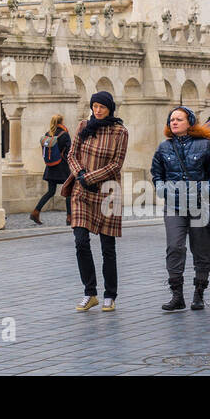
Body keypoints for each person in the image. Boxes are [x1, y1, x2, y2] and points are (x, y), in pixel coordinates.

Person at [151, 105, 210, 312]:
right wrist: (162, 189)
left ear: (189, 122)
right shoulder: (164, 147)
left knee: (201, 251)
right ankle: (177, 296)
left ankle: (199, 293)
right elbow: (156, 173)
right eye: (171, 119)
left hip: (198, 206)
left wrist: (204, 190)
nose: (174, 122)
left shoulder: (204, 145)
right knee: (175, 247)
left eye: (179, 119)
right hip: (174, 206)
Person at [67, 91, 127, 313]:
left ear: (110, 108)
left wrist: (91, 177)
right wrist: (81, 174)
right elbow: (72, 154)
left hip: (107, 192)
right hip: (81, 190)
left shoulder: (120, 131)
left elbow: (116, 164)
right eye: (95, 106)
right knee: (81, 241)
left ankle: (110, 295)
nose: (98, 110)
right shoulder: (83, 126)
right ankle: (89, 292)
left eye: (102, 106)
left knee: (107, 247)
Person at [28, 115, 71, 225]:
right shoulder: (64, 135)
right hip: (62, 168)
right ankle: (69, 217)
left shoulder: (48, 134)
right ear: (62, 122)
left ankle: (35, 211)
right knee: (69, 192)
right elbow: (69, 152)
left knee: (50, 191)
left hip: (51, 167)